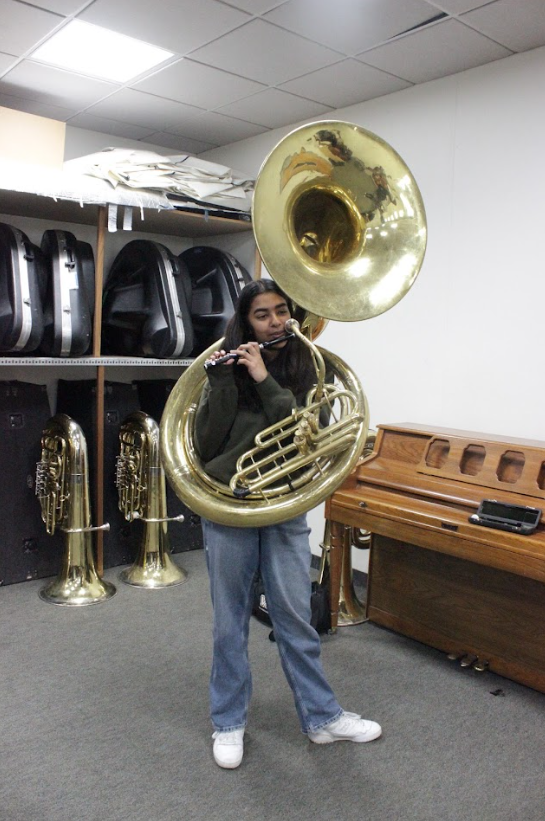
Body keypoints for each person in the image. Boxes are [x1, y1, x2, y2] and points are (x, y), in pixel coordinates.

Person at [194, 279, 381, 769]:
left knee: (295, 617)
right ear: (245, 321)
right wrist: (224, 382)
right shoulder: (223, 370)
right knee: (229, 622)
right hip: (230, 507)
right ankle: (228, 722)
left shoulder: (306, 368)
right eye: (262, 314)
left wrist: (263, 378)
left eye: (281, 311)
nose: (276, 321)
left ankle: (322, 719)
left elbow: (305, 433)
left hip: (286, 505)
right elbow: (207, 445)